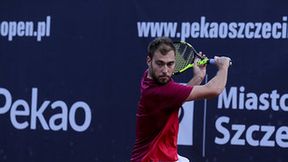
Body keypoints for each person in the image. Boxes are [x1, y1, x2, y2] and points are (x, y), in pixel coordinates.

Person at [130, 37, 231, 162]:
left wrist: (198, 77)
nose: (165, 70)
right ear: (149, 61)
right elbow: (214, 89)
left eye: (170, 64)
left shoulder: (149, 76)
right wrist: (223, 67)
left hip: (163, 156)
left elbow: (175, 99)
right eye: (160, 63)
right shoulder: (160, 91)